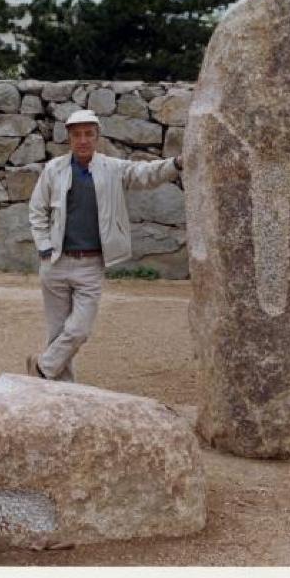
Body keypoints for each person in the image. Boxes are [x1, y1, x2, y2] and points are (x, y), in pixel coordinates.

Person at [27, 108, 183, 382]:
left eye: (89, 134)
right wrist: (43, 247)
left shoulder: (113, 168)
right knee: (57, 332)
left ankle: (41, 368)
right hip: (56, 263)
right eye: (77, 135)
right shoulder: (54, 169)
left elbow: (146, 174)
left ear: (97, 136)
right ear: (70, 139)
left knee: (78, 331)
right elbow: (37, 210)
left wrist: (177, 164)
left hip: (91, 264)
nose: (83, 140)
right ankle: (61, 389)